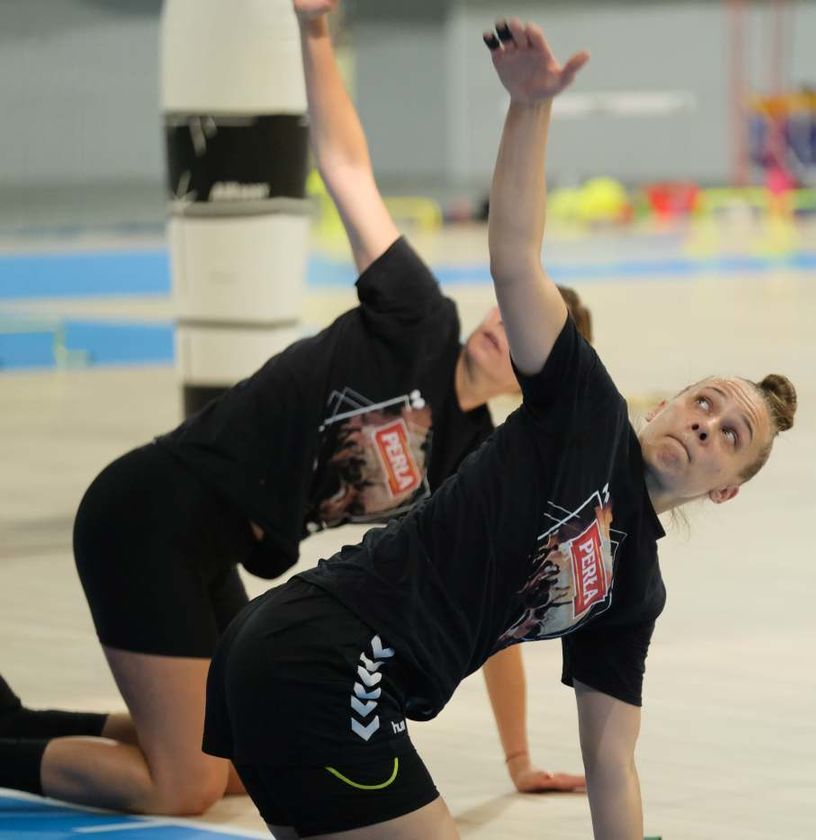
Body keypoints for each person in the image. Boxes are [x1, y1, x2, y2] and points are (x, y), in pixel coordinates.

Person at [201, 17, 797, 839]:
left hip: (313, 664)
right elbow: (516, 256)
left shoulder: (633, 591)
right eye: (704, 402)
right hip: (330, 653)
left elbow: (612, 762)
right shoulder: (579, 408)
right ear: (665, 404)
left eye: (731, 435)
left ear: (726, 489)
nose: (706, 427)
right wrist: (530, 109)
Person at [0, 1, 591, 814]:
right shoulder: (416, 316)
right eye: (503, 307)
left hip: (212, 553)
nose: (500, 322)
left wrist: (519, 760)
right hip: (151, 513)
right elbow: (347, 170)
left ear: (532, 364)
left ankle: (18, 724)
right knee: (186, 787)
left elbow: (487, 621)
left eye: (519, 326)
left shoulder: (467, 460)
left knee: (237, 762)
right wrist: (315, 35)